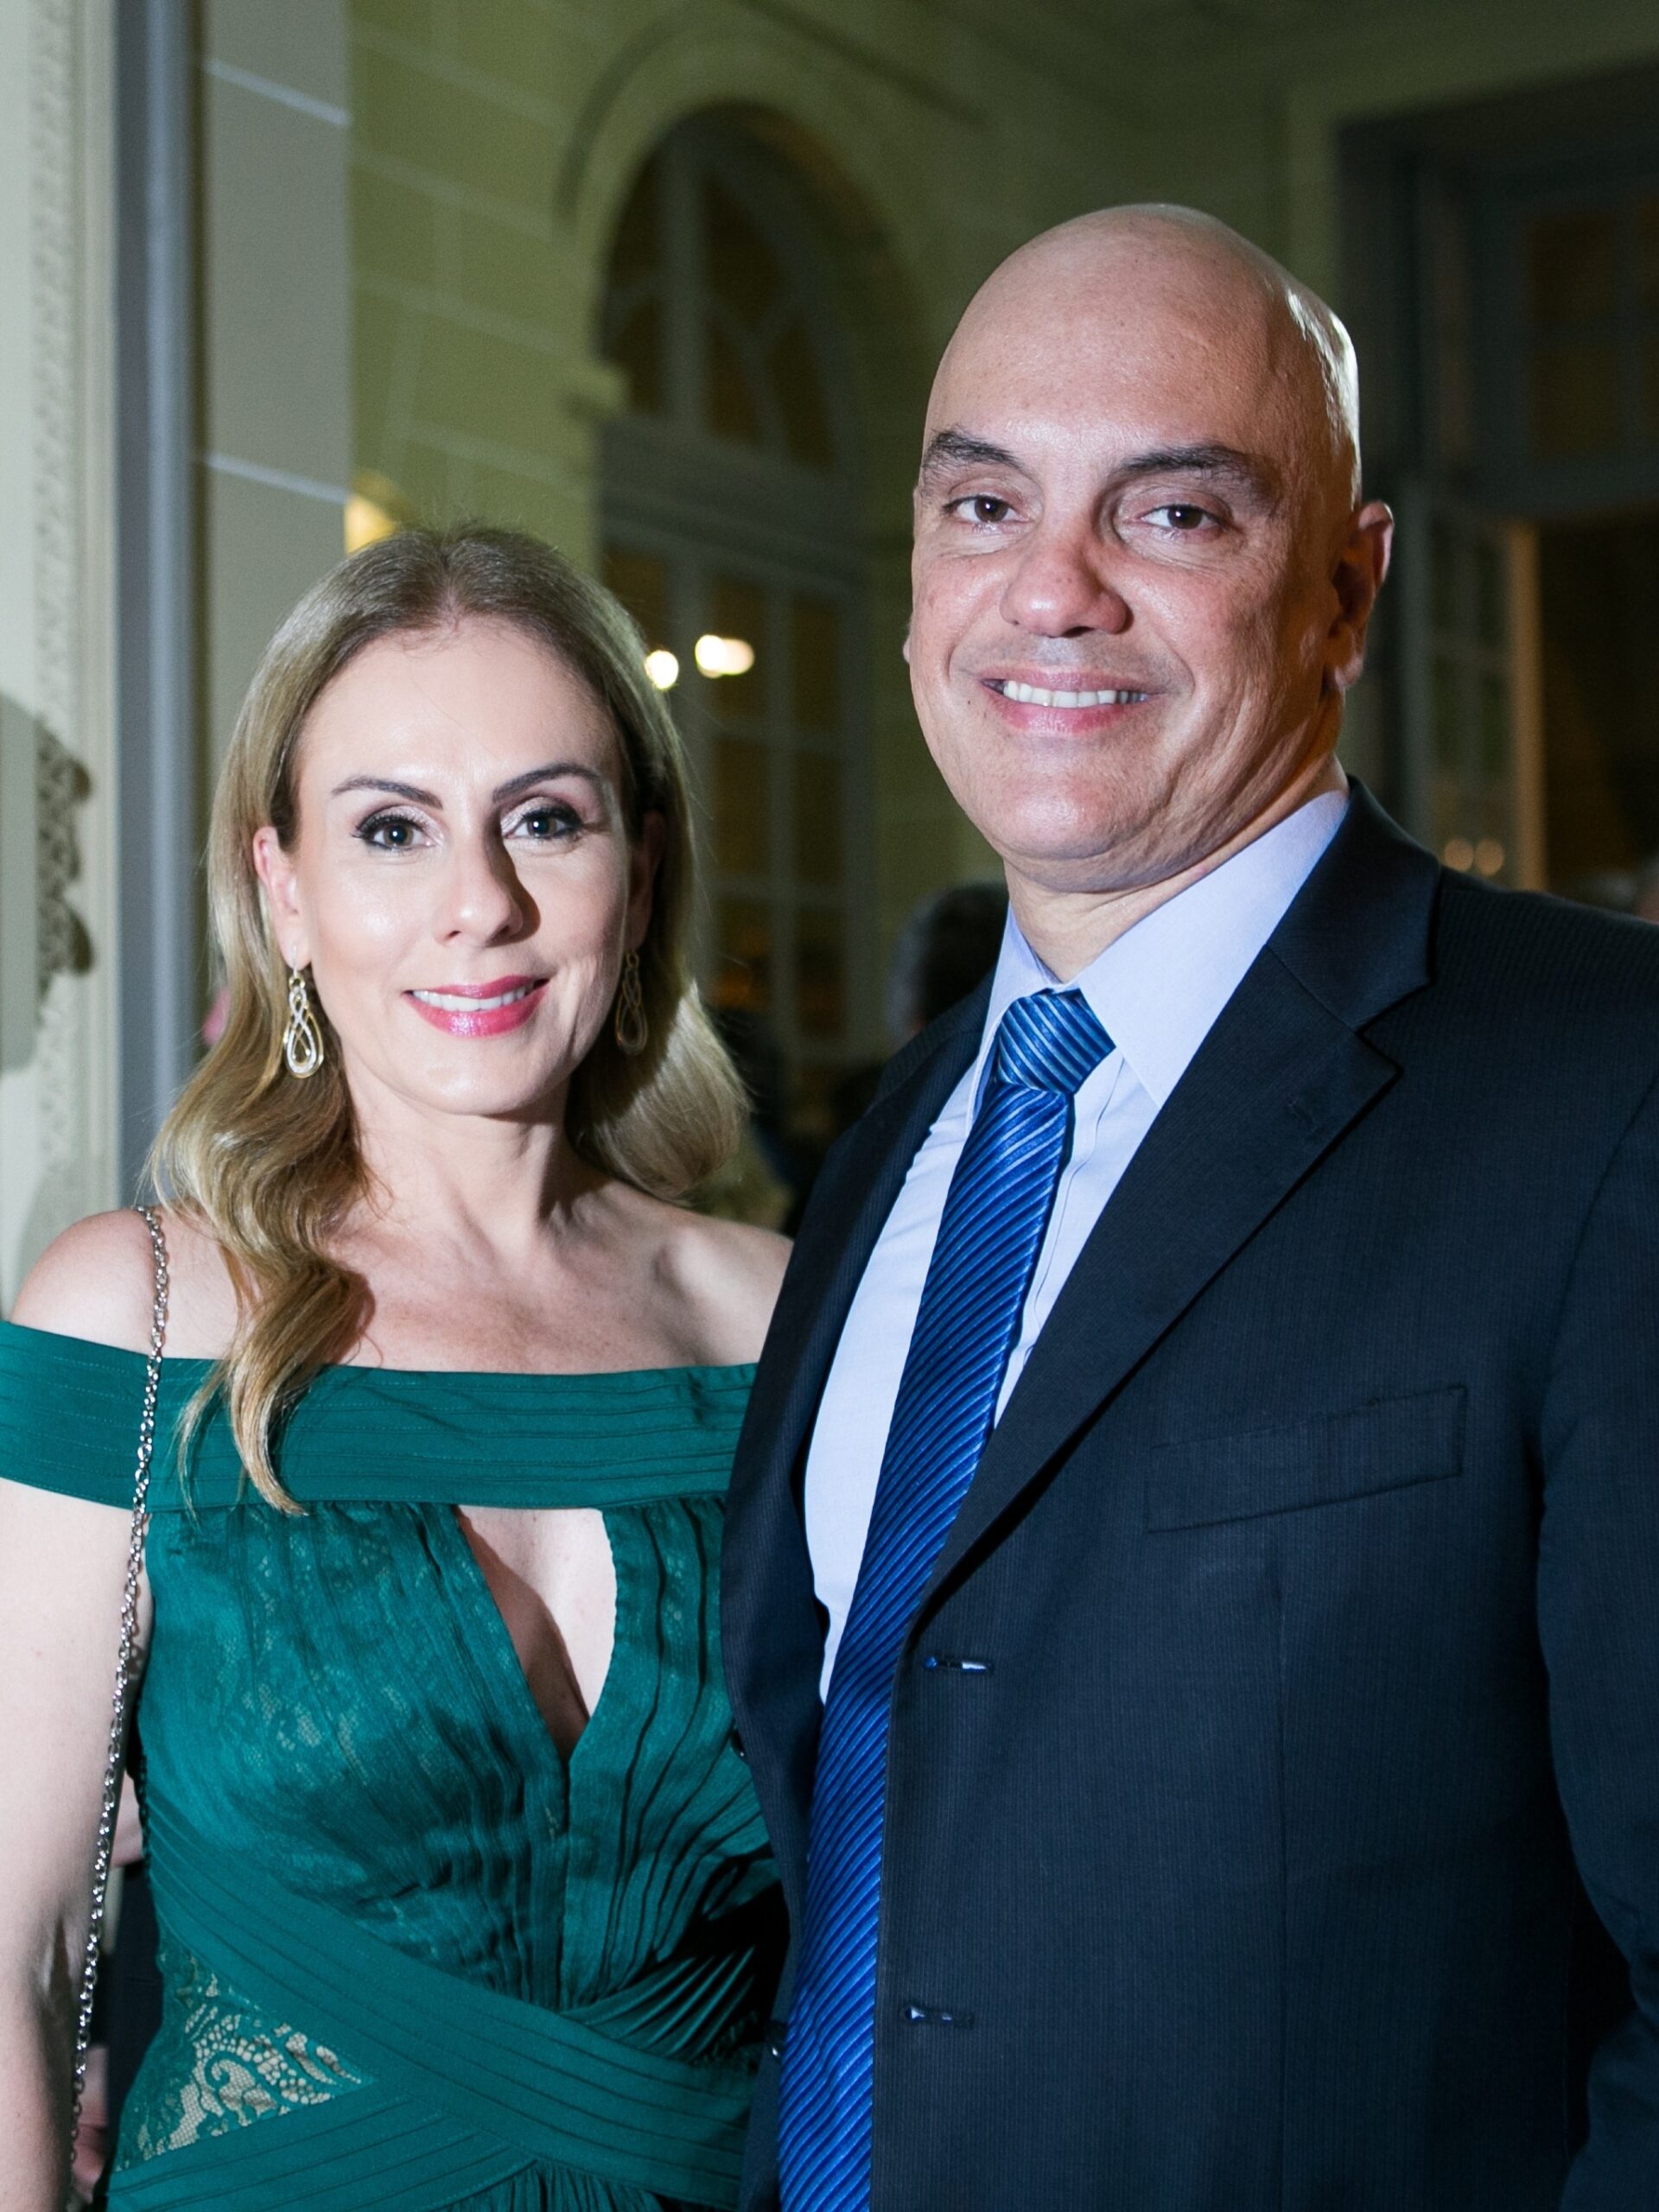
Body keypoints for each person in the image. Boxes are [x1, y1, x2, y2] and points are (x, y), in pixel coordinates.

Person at [721, 205, 1659, 2210]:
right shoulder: (895, 1145)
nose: (1049, 591)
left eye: (1171, 513)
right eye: (985, 504)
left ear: (1345, 589)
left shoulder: (1608, 1089)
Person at [0, 526, 790, 2209]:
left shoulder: (789, 1322)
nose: (478, 903)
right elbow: (16, 1942)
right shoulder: (133, 1315)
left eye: (546, 819)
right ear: (284, 888)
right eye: (390, 828)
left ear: (641, 869)